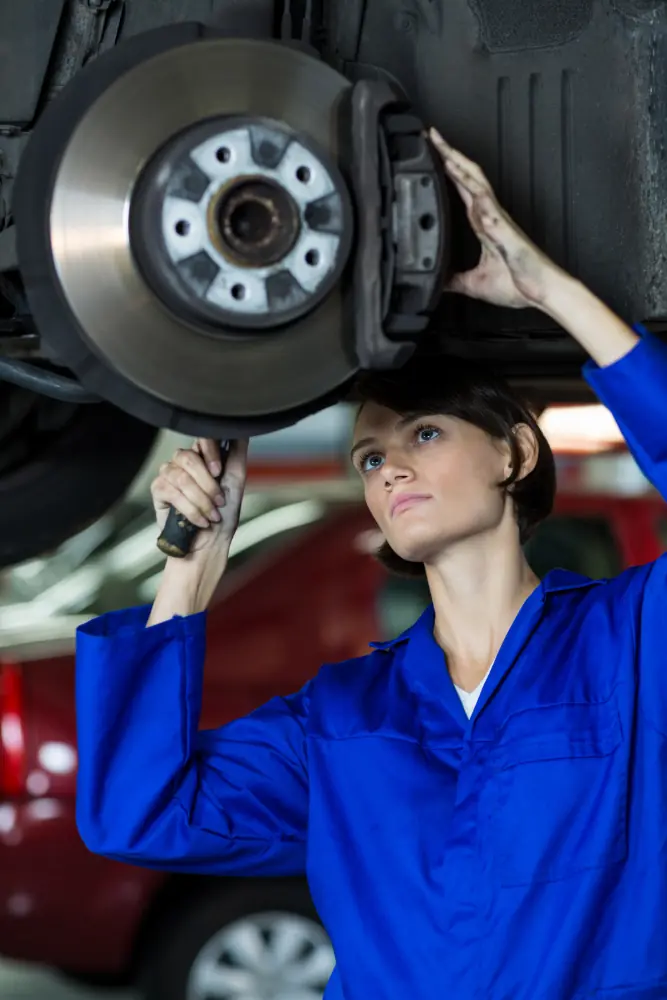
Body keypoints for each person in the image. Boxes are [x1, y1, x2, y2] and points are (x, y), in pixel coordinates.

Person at [75, 128, 667, 1000]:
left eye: (422, 434)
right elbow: (143, 815)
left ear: (512, 454)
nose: (387, 466)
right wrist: (189, 571)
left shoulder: (630, 645)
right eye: (368, 457)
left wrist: (552, 293)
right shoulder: (341, 720)